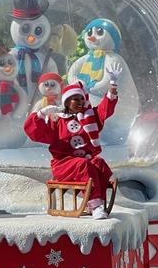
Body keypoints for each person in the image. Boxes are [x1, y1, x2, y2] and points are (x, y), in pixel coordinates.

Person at [24, 64, 122, 219]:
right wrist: (41, 114)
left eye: (81, 99)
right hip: (63, 165)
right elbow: (35, 133)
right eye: (75, 99)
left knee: (99, 163)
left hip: (85, 162)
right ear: (67, 102)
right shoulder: (57, 120)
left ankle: (97, 202)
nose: (80, 102)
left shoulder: (89, 117)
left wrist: (113, 84)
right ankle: (95, 204)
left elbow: (105, 109)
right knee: (84, 164)